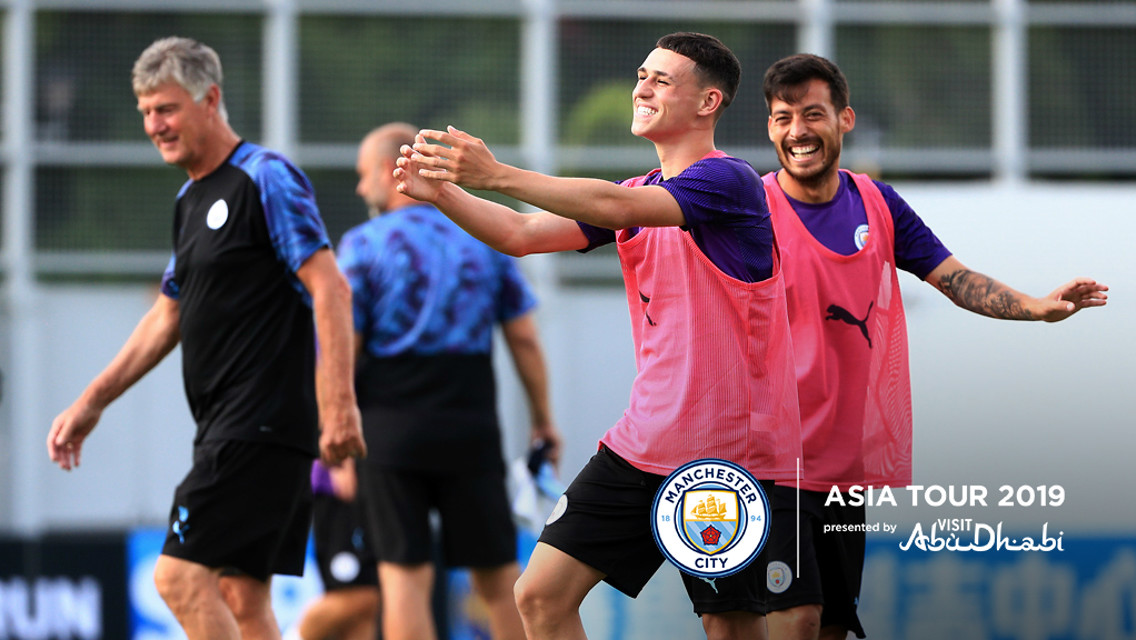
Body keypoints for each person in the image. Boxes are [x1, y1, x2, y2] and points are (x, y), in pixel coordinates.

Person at [395, 32, 802, 640]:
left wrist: (497, 172)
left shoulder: (730, 182)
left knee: (728, 623)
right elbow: (521, 234)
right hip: (643, 443)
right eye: (642, 75)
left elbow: (612, 208)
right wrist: (445, 194)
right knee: (539, 596)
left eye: (662, 80)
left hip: (724, 456)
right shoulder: (638, 194)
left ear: (708, 102)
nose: (642, 87)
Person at [757, 53, 1109, 640]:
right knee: (796, 619)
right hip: (770, 465)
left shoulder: (878, 205)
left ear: (844, 119)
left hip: (843, 470)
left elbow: (956, 279)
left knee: (829, 629)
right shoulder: (749, 208)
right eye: (782, 117)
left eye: (812, 114)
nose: (797, 132)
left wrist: (1039, 308)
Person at [45, 36, 366, 640]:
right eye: (144, 112)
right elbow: (168, 315)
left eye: (165, 109)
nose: (153, 125)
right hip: (228, 425)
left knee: (178, 578)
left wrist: (340, 405)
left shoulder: (265, 178)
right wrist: (92, 401)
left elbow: (331, 289)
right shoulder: (191, 198)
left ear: (210, 99)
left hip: (261, 424)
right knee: (242, 596)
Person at [341, 122, 561, 640]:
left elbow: (341, 348)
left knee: (403, 578)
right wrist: (542, 421)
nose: (358, 188)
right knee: (497, 575)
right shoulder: (479, 237)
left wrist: (335, 426)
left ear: (384, 171)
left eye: (360, 175)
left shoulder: (361, 245)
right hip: (469, 423)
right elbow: (524, 339)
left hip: (388, 428)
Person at [288, 459, 380, 640]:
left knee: (364, 615)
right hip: (341, 483)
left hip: (369, 483)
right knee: (360, 592)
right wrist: (341, 458)